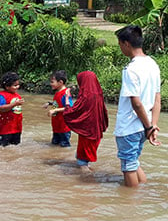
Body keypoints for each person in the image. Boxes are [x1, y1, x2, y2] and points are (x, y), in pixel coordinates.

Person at [114, 25, 162, 187]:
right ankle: (142, 192)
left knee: (128, 167)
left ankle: (132, 202)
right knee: (133, 162)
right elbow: (157, 99)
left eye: (120, 44)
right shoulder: (152, 64)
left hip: (130, 126)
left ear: (126, 43)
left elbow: (136, 103)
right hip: (144, 125)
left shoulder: (131, 69)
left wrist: (149, 127)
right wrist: (152, 125)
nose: (120, 48)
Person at [62, 71, 109, 172]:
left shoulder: (86, 96)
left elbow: (71, 112)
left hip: (87, 133)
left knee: (82, 163)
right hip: (96, 132)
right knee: (83, 160)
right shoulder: (98, 94)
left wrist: (67, 98)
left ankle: (86, 183)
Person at [44, 70, 73, 147]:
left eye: (52, 82)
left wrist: (55, 110)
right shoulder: (57, 93)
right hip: (57, 126)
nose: (51, 84)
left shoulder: (65, 93)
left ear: (60, 82)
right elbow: (58, 104)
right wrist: (50, 103)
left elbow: (69, 108)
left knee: (64, 146)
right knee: (54, 144)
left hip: (64, 127)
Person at [0, 72, 24, 146]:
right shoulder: (1, 96)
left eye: (18, 85)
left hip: (17, 129)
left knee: (15, 149)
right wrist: (14, 104)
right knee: (2, 149)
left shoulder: (17, 96)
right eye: (15, 85)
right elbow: (0, 108)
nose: (17, 87)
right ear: (7, 86)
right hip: (4, 130)